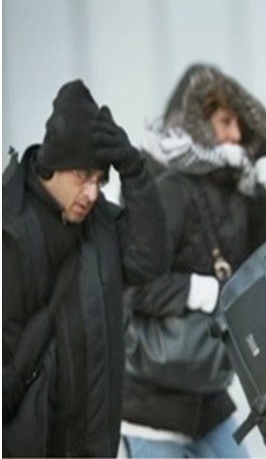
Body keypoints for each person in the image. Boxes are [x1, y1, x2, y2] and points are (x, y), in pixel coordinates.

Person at [119, 63, 266, 458]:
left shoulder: (231, 193)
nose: (236, 134)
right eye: (226, 122)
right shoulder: (169, 190)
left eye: (239, 125)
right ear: (196, 124)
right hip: (152, 404)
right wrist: (203, 291)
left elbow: (256, 267)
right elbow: (134, 285)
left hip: (207, 397)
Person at [2, 79, 171, 457]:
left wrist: (134, 171)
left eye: (99, 180)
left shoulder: (102, 225)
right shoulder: (10, 236)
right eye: (82, 177)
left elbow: (149, 261)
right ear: (52, 168)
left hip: (95, 446)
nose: (92, 193)